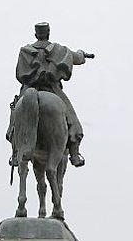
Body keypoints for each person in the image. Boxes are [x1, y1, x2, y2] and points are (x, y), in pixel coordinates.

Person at [8, 22, 91, 167]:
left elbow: (20, 73)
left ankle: (15, 153)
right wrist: (82, 53)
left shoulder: (25, 51)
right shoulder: (60, 50)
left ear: (36, 35)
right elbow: (77, 58)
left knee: (15, 119)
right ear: (48, 33)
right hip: (52, 89)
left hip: (28, 89)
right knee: (73, 120)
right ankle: (74, 153)